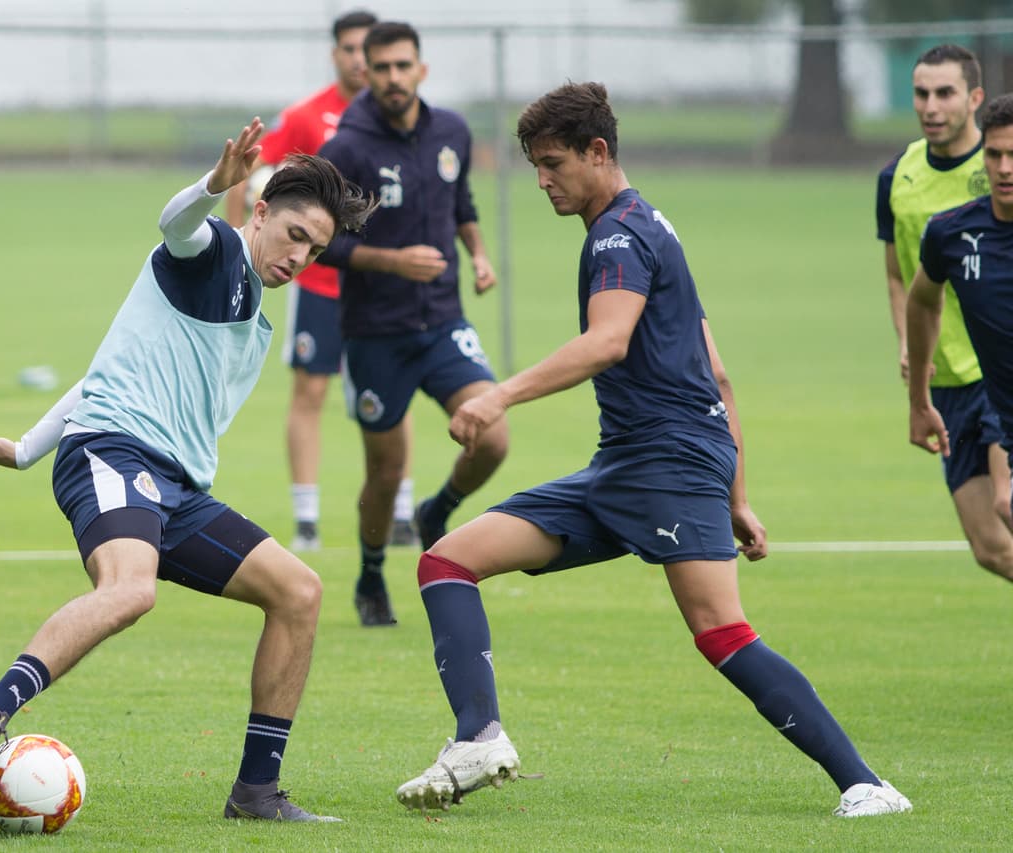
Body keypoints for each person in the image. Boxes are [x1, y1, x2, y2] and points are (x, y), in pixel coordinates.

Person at [393, 82, 912, 819]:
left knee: (722, 632)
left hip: (666, 464)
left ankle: (867, 784)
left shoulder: (617, 236)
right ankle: (477, 736)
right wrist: (735, 494)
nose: (541, 180)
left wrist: (498, 395)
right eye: (534, 166)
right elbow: (718, 371)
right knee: (448, 559)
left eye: (551, 164)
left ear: (598, 152)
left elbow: (607, 341)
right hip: (630, 467)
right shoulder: (650, 223)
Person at [0, 119, 375, 823]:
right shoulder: (212, 251)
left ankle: (257, 792)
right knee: (131, 589)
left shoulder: (250, 307)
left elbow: (101, 370)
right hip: (114, 452)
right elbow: (175, 223)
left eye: (316, 249)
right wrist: (213, 184)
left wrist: (23, 448)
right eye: (295, 235)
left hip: (174, 485)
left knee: (299, 591)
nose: (301, 256)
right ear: (260, 212)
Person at [318, 21, 507, 627]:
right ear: (364, 73)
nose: (394, 78)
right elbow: (323, 244)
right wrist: (392, 261)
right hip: (375, 332)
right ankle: (372, 574)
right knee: (386, 469)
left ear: (421, 68)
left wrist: (476, 253)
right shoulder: (347, 148)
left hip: (444, 321)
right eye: (383, 68)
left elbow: (462, 204)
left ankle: (438, 509)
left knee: (493, 435)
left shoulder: (450, 130)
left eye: (404, 66)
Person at [225, 10, 419, 552]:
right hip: (321, 286)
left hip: (380, 289)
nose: (362, 60)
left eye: (370, 51)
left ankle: (401, 509)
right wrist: (235, 235)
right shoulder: (309, 116)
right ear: (337, 54)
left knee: (390, 394)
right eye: (352, 50)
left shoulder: (401, 123)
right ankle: (307, 517)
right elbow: (251, 167)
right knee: (310, 391)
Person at [877, 44, 1013, 580]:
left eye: (945, 93)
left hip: (994, 375)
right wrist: (909, 349)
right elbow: (901, 277)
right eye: (921, 93)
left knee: (1007, 503)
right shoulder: (899, 178)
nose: (931, 106)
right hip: (948, 380)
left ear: (974, 99)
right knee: (989, 547)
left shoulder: (998, 166)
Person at [907, 92, 1013, 529]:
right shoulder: (951, 234)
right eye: (994, 154)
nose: (1005, 168)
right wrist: (918, 399)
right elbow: (921, 302)